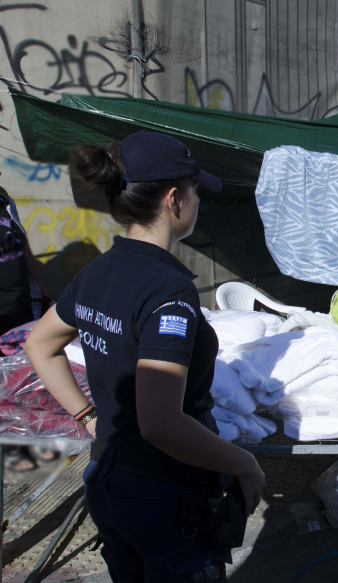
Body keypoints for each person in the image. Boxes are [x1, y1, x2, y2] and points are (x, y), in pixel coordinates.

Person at [24, 132, 265, 581]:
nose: (198, 201)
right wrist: (245, 464)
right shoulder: (167, 290)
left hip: (110, 481)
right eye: (195, 191)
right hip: (166, 497)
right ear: (175, 199)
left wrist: (88, 416)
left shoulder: (99, 270)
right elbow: (160, 423)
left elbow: (40, 344)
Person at [1, 185, 49, 335]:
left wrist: (41, 285)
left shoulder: (5, 199)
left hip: (20, 301)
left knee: (19, 355)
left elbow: (22, 241)